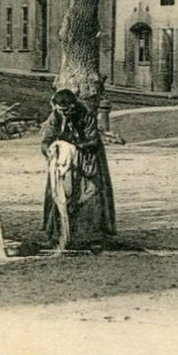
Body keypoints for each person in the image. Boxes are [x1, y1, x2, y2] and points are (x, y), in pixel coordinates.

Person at [39, 88, 117, 252]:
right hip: (63, 161)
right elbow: (47, 137)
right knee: (59, 193)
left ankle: (90, 236)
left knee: (89, 193)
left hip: (86, 159)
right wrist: (49, 149)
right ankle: (58, 233)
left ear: (73, 106)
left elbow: (93, 140)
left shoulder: (86, 114)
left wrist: (73, 148)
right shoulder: (55, 116)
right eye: (60, 110)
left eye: (66, 110)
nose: (64, 113)